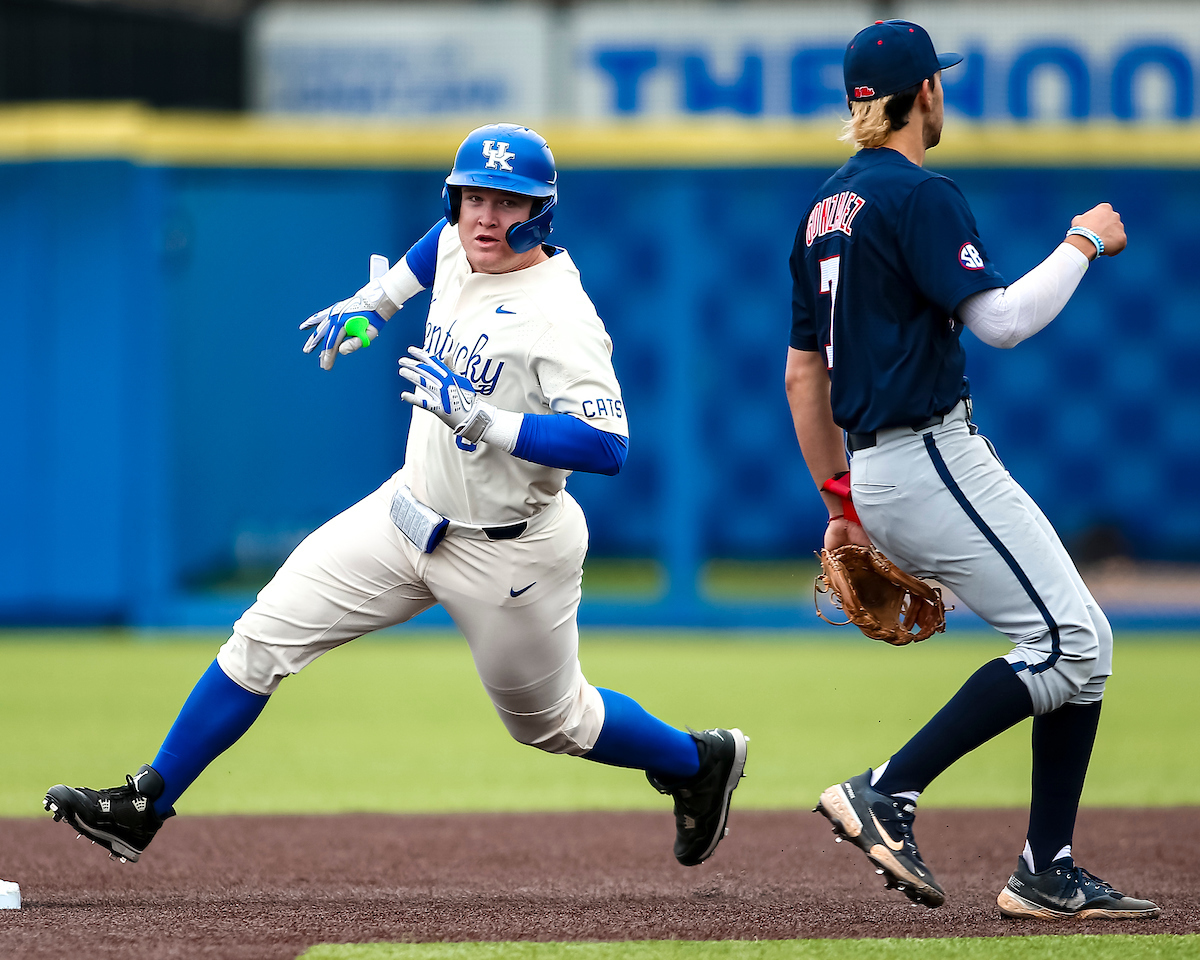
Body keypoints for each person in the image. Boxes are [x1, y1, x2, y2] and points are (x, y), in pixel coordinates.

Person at [44, 123, 747, 870]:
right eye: (472, 195)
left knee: (554, 723)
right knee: (263, 635)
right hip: (406, 513)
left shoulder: (560, 316)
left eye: (506, 202)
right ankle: (145, 804)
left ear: (541, 211)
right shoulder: (459, 241)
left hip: (509, 551)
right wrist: (375, 303)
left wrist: (488, 420)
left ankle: (695, 763)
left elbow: (609, 443)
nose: (484, 216)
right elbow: (431, 250)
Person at [787, 22, 1159, 919]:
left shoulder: (822, 212)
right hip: (930, 454)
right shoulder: (920, 194)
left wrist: (841, 501)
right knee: (1066, 644)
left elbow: (805, 373)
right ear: (925, 95)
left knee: (1086, 647)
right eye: (937, 84)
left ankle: (1047, 866)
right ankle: (889, 789)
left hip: (885, 468)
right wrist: (1082, 241)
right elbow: (1000, 323)